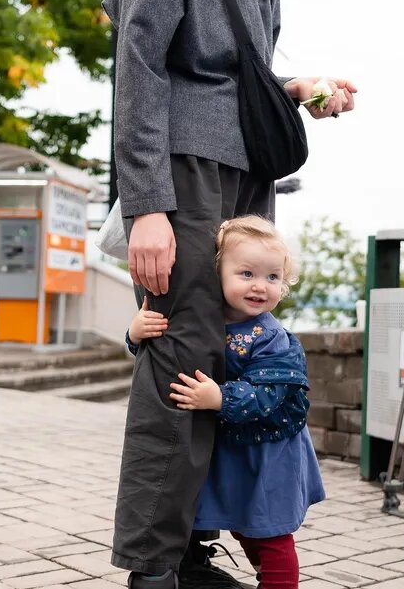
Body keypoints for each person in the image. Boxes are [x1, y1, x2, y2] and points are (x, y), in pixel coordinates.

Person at [102, 0, 357, 589]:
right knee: (178, 363)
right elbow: (139, 75)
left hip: (248, 178)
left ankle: (191, 545)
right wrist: (147, 204)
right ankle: (154, 566)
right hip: (181, 177)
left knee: (225, 363)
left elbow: (234, 82)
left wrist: (299, 88)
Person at [127, 216, 325, 589]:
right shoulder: (202, 318)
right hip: (234, 453)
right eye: (246, 273)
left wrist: (221, 397)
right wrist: (135, 335)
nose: (260, 287)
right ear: (216, 272)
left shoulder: (272, 337)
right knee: (241, 527)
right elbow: (160, 354)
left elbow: (273, 393)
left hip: (268, 455)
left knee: (268, 534)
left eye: (272, 277)